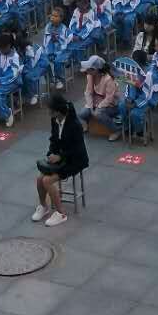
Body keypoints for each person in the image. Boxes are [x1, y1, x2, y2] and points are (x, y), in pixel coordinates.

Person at [32, 94, 89, 226]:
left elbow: (77, 150)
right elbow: (54, 139)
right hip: (61, 158)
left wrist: (60, 156)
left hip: (75, 160)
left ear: (57, 111)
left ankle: (61, 213)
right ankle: (43, 206)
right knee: (39, 179)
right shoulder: (55, 120)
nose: (48, 112)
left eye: (50, 110)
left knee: (47, 181)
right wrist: (51, 153)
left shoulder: (75, 125)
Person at [78, 55, 120, 135]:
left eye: (89, 69)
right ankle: (86, 124)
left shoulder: (108, 79)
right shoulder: (90, 76)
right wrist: (90, 108)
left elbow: (109, 99)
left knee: (98, 114)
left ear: (95, 70)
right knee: (82, 114)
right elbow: (88, 93)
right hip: (96, 102)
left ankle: (116, 130)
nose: (86, 70)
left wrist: (98, 108)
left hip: (111, 105)